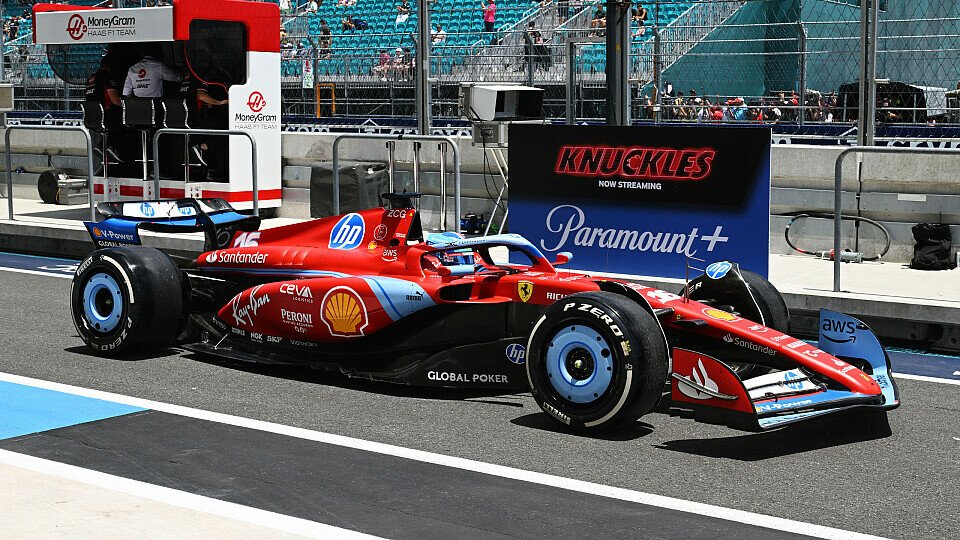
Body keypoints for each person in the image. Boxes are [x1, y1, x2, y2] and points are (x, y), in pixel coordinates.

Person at [85, 53, 124, 163]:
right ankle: (113, 148)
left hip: (92, 118)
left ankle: (101, 146)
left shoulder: (91, 78)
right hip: (106, 116)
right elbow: (114, 98)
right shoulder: (107, 76)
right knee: (127, 122)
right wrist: (129, 108)